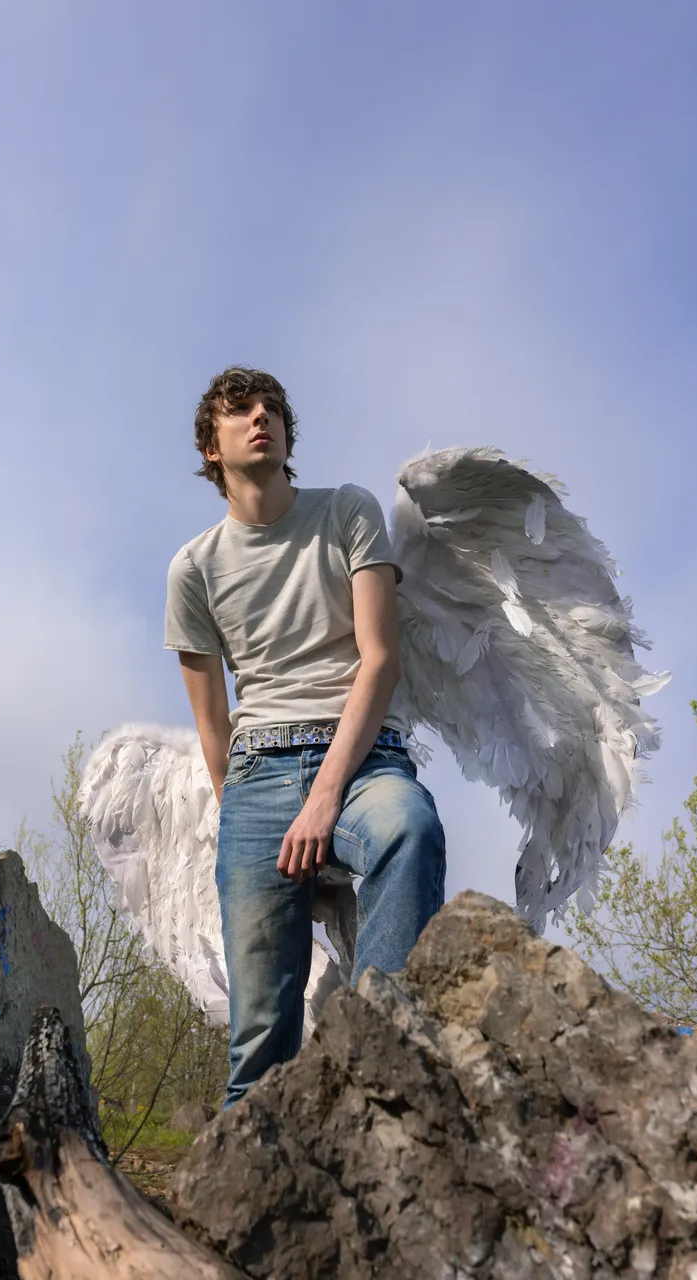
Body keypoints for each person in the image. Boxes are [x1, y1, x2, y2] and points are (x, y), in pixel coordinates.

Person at [164, 366, 446, 1107]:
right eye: (240, 409)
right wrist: (246, 829)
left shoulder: (346, 513)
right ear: (211, 445)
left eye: (273, 407)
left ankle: (377, 1064)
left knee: (409, 830)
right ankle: (232, 1206)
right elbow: (212, 724)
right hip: (257, 778)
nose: (262, 416)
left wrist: (323, 800)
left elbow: (380, 661)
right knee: (258, 1046)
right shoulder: (193, 570)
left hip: (362, 759)